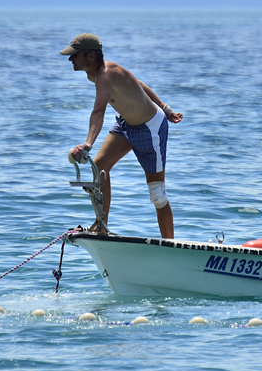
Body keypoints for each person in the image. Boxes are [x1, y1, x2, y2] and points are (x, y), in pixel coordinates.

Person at [63, 33, 183, 239]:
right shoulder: (93, 74)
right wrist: (165, 106)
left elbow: (99, 111)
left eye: (75, 54)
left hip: (150, 129)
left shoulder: (106, 74)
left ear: (91, 56)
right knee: (100, 167)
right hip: (125, 124)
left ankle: (170, 246)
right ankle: (101, 226)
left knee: (157, 194)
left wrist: (88, 144)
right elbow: (136, 83)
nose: (70, 59)